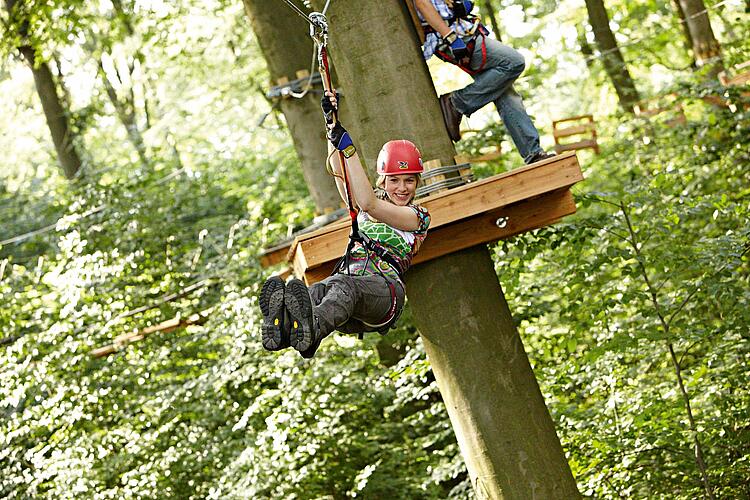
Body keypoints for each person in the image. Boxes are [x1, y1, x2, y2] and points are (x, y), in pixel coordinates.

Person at [258, 91, 431, 359]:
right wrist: (331, 127)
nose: (402, 188)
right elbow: (340, 174)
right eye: (394, 180)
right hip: (346, 304)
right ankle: (285, 331)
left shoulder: (417, 217)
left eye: (409, 180)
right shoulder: (369, 202)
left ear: (417, 183)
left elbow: (369, 203)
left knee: (342, 285)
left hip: (384, 294)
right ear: (382, 181)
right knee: (314, 291)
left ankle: (311, 330)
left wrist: (349, 149)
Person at [414, 0, 554, 164]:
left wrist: (462, 5)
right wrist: (450, 37)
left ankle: (533, 153)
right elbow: (422, 3)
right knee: (513, 62)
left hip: (463, 30)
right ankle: (456, 103)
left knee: (505, 92)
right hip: (453, 37)